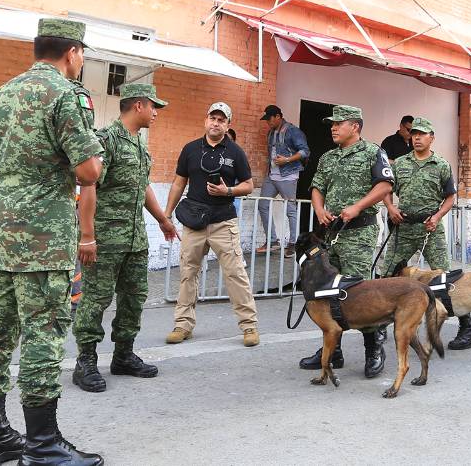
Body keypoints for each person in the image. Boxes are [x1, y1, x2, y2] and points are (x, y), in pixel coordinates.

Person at [0, 18, 104, 466]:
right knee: (43, 334)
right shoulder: (68, 95)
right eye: (82, 53)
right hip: (45, 236)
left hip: (5, 233)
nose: (81, 60)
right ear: (72, 53)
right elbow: (88, 172)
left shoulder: (2, 94)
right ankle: (43, 445)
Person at [72, 84, 177, 393]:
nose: (156, 112)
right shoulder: (106, 141)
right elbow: (88, 186)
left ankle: (123, 355)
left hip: (134, 240)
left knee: (134, 298)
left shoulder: (139, 145)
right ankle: (86, 361)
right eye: (153, 106)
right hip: (105, 239)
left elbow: (142, 186)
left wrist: (162, 219)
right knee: (96, 299)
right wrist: (87, 236)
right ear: (139, 106)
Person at [298, 104, 394, 377]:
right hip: (331, 235)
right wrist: (318, 208)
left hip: (359, 233)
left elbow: (385, 186)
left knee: (360, 292)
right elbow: (317, 187)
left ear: (355, 126)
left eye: (339, 123)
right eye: (332, 123)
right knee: (327, 291)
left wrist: (357, 207)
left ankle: (373, 347)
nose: (333, 127)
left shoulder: (373, 152)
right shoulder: (328, 157)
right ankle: (333, 351)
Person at [164, 102, 260, 347]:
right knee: (188, 273)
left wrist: (227, 190)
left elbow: (248, 185)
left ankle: (249, 327)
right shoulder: (190, 149)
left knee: (235, 274)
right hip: (194, 222)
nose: (216, 123)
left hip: (223, 222)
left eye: (221, 120)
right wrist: (166, 214)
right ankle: (182, 325)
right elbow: (178, 183)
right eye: (212, 118)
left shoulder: (235, 152)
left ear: (228, 125)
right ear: (206, 120)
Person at [380, 117, 467, 345]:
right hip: (404, 227)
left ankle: (468, 327)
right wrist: (390, 207)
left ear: (432, 138)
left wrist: (437, 217)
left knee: (444, 279)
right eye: (414, 134)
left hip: (430, 228)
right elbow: (387, 189)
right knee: (386, 275)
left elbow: (450, 197)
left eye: (422, 134)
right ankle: (378, 325)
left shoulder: (441, 165)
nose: (417, 137)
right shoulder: (400, 163)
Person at [257, 104, 310, 255]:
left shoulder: (293, 131)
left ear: (278, 117)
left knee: (290, 209)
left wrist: (287, 159)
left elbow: (305, 151)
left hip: (288, 175)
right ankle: (273, 240)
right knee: (263, 205)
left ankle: (293, 243)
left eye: (270, 119)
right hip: (272, 175)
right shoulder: (271, 132)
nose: (268, 122)